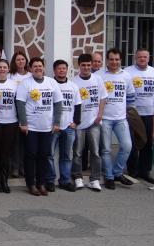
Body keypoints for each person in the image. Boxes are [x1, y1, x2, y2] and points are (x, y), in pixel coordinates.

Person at [16, 57, 62, 196]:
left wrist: (57, 122)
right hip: (31, 127)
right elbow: (20, 103)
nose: (37, 68)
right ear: (30, 69)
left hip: (46, 127)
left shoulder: (51, 82)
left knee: (44, 155)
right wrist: (23, 123)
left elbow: (58, 103)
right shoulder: (25, 83)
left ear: (43, 67)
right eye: (34, 66)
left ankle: (41, 183)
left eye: (40, 66)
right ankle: (31, 184)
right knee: (31, 155)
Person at [99, 48, 136, 190]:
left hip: (121, 119)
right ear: (107, 60)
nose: (114, 62)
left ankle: (117, 172)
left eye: (117, 59)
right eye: (111, 59)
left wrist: (127, 112)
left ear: (121, 60)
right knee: (106, 150)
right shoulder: (99, 75)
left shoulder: (126, 76)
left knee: (127, 146)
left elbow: (131, 96)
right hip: (105, 119)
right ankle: (109, 177)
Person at [72, 53, 107, 192]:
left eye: (88, 65)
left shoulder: (98, 79)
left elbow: (103, 98)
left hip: (94, 122)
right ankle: (77, 177)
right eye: (83, 65)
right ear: (78, 66)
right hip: (79, 123)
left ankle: (95, 179)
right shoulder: (74, 82)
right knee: (78, 152)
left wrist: (100, 115)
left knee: (96, 152)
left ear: (91, 65)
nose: (86, 67)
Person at [126, 49, 154, 183]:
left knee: (147, 143)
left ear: (149, 58)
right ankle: (132, 170)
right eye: (139, 56)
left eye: (145, 57)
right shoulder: (128, 72)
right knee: (133, 143)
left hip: (150, 113)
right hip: (133, 113)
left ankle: (145, 171)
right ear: (135, 57)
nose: (142, 59)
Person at [47, 60, 82, 192]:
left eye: (64, 68)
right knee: (49, 154)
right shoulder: (50, 84)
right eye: (59, 69)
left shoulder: (73, 86)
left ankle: (65, 180)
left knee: (67, 155)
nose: (61, 71)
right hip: (53, 126)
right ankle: (50, 180)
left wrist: (76, 122)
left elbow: (78, 105)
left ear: (67, 70)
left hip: (68, 126)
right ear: (54, 70)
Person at [0, 59, 17, 194]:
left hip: (10, 122)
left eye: (4, 67)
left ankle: (4, 180)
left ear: (8, 69)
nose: (2, 69)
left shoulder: (14, 84)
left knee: (6, 153)